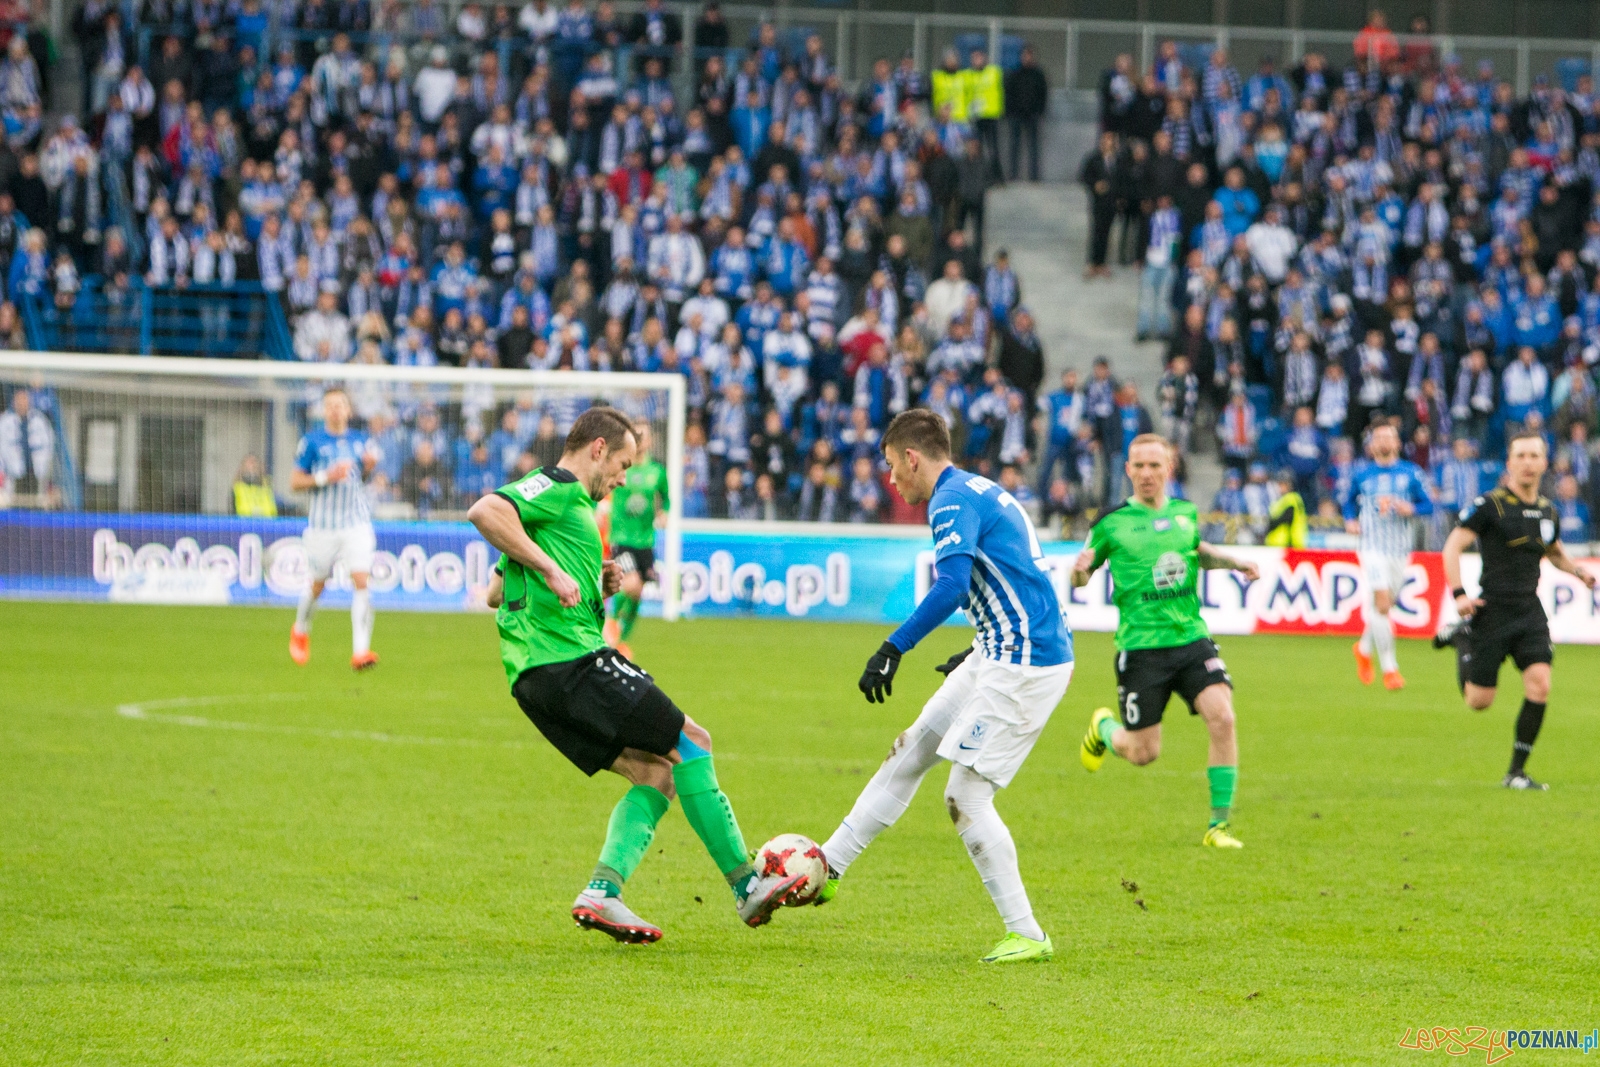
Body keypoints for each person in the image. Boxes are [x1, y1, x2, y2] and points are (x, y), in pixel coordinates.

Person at [468, 408, 803, 944]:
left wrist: (587, 580)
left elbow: (494, 592)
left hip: (533, 681)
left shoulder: (566, 514)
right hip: (570, 660)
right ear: (597, 449)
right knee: (692, 742)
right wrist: (553, 570)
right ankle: (747, 885)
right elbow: (485, 510)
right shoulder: (557, 485)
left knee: (656, 773)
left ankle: (602, 892)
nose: (625, 479)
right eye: (623, 465)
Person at [816, 409, 1072, 963]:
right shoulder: (978, 488)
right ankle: (829, 865)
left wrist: (894, 647)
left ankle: (1027, 933)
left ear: (912, 458)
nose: (891, 479)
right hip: (998, 648)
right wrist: (982, 639)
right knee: (911, 748)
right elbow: (1017, 576)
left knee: (965, 795)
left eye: (892, 466)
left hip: (1025, 661)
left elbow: (952, 584)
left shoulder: (949, 500)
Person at [1073, 434, 1259, 849]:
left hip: (1191, 637)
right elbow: (1081, 577)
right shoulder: (1111, 521)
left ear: (1168, 469)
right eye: (1139, 466)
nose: (1147, 474)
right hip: (1141, 648)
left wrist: (1234, 562)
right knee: (1143, 753)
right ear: (1128, 470)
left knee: (1223, 717)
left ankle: (1218, 827)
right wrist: (1080, 569)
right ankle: (1104, 727)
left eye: (1154, 465)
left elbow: (1197, 550)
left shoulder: (1184, 512)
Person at [1437, 432, 1596, 790]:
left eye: (1534, 456)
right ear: (1509, 463)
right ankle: (1463, 639)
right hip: (1493, 609)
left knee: (1540, 684)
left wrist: (1578, 571)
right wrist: (1459, 594)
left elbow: (1553, 552)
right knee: (1479, 701)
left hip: (1529, 611)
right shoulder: (1489, 505)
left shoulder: (1547, 510)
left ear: (1544, 463)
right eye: (1520, 456)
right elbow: (1452, 547)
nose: (1527, 462)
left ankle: (1516, 773)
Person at [287, 388, 381, 671]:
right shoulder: (312, 442)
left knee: (361, 580)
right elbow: (295, 482)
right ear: (324, 411)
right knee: (318, 584)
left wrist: (368, 469)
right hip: (323, 526)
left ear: (349, 410)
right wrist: (325, 477)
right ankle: (300, 628)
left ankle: (361, 651)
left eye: (341, 404)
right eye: (330, 405)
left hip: (356, 523)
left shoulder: (361, 441)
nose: (336, 409)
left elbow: (360, 479)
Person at [1343, 424, 1435, 690]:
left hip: (1399, 550)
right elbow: (1348, 501)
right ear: (1371, 445)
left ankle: (1363, 649)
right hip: (1371, 547)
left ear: (1397, 443)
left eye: (1389, 437)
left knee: (1381, 607)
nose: (1384, 442)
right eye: (1379, 438)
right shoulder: (1362, 474)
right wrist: (1350, 520)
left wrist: (1412, 509)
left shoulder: (1411, 473)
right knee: (1382, 604)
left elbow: (1429, 505)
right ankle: (1390, 669)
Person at [604, 419, 670, 658]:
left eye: (644, 436)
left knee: (638, 593)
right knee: (630, 584)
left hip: (645, 540)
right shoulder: (620, 466)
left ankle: (620, 639)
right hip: (621, 537)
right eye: (636, 435)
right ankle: (610, 624)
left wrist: (664, 513)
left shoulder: (657, 472)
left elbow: (667, 498)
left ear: (650, 441)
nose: (641, 440)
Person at [1004, 45, 1047, 182]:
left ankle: (1034, 176)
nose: (1027, 58)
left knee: (1033, 147)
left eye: (1029, 55)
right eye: (1025, 55)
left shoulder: (1038, 74)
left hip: (1032, 115)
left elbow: (1043, 94)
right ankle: (1013, 174)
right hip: (1016, 115)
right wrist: (1010, 112)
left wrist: (1040, 111)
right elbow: (1008, 94)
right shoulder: (1015, 73)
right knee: (1014, 146)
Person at [1263, 468, 1307, 547]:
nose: (1280, 487)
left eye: (1283, 484)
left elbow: (1284, 518)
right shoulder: (1280, 500)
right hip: (1277, 544)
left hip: (1289, 544)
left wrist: (1269, 525)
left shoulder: (1292, 499)